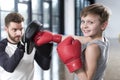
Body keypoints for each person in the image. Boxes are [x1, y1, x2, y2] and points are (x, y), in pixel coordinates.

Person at [57, 3, 111, 80]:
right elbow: (74, 38)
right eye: (83, 21)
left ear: (103, 25)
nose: (85, 26)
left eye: (90, 22)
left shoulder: (92, 48)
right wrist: (53, 37)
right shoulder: (104, 41)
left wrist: (73, 62)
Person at [0, 12, 53, 80]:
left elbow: (45, 67)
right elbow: (9, 67)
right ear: (6, 29)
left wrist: (47, 54)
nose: (19, 33)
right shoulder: (2, 47)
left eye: (21, 29)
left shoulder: (31, 44)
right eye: (15, 30)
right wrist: (22, 45)